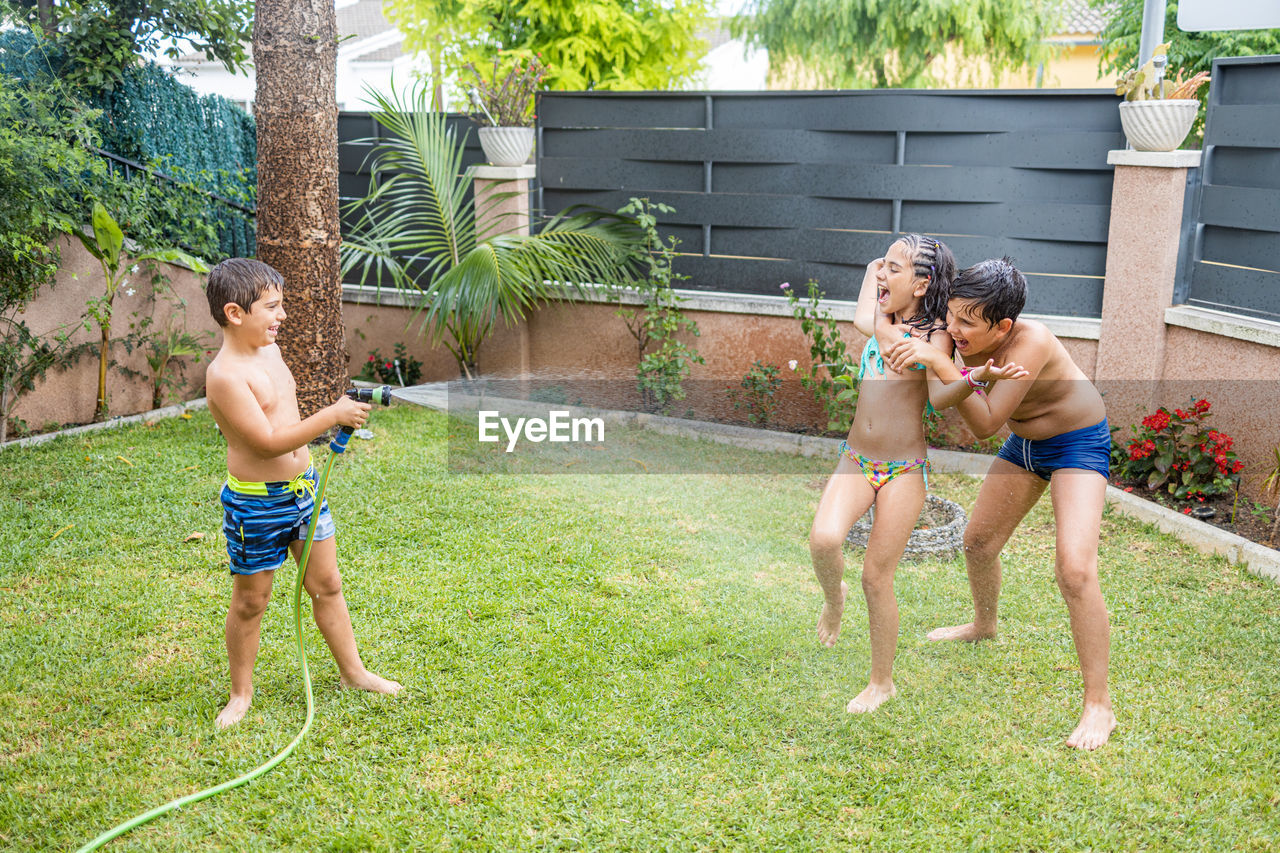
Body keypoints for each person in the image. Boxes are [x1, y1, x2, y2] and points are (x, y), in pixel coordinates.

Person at [882, 257, 1116, 750]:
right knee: (979, 542)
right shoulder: (954, 329)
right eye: (952, 317)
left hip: (1076, 443)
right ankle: (983, 626)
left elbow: (985, 423)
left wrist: (943, 363)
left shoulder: (1031, 341)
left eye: (968, 323)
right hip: (1025, 446)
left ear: (1002, 326)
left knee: (1075, 570)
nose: (954, 329)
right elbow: (946, 397)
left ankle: (1099, 705)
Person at [809, 235, 1023, 714]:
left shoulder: (938, 339)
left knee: (875, 577)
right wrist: (883, 276)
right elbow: (866, 307)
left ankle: (881, 682)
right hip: (855, 459)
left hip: (904, 469)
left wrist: (971, 378)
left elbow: (941, 398)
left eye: (895, 269)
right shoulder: (879, 318)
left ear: (923, 283)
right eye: (883, 267)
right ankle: (832, 597)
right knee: (823, 541)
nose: (882, 275)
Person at [204, 258, 401, 729]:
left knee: (327, 585)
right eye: (272, 307)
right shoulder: (226, 375)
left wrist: (328, 420)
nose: (283, 316)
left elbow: (286, 420)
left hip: (305, 492)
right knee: (252, 601)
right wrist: (332, 415)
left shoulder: (270, 353)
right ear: (235, 313)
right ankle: (240, 693)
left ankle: (354, 673)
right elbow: (267, 442)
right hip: (258, 502)